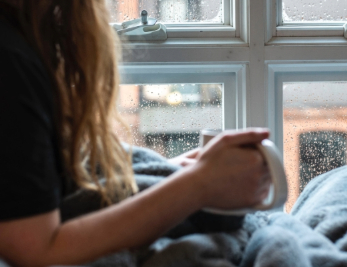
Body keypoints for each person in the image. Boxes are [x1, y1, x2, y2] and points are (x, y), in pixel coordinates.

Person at [0, 1, 271, 266]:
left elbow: (33, 192)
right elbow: (35, 250)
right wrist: (199, 183)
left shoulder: (25, 38)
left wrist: (172, 173)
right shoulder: (12, 61)